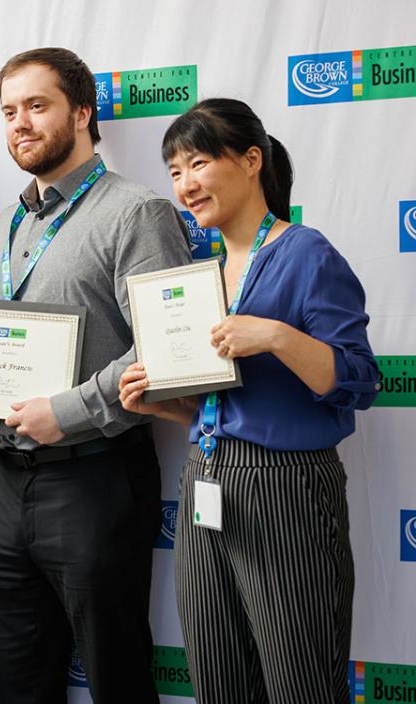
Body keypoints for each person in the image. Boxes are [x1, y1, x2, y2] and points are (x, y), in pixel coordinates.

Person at [118, 98, 379, 704]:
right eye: (174, 171)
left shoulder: (305, 252)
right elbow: (233, 405)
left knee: (299, 681)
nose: (184, 184)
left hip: (286, 488)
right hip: (206, 480)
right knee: (219, 676)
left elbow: (360, 381)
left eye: (198, 163)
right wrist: (165, 404)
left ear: (251, 160)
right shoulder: (200, 271)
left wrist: (278, 336)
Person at [0, 48, 192, 703]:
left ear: (83, 112)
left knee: (115, 676)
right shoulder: (3, 225)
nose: (20, 123)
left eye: (37, 105)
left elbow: (166, 348)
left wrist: (67, 412)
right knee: (10, 682)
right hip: (6, 481)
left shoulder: (136, 211)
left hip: (98, 477)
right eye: (9, 111)